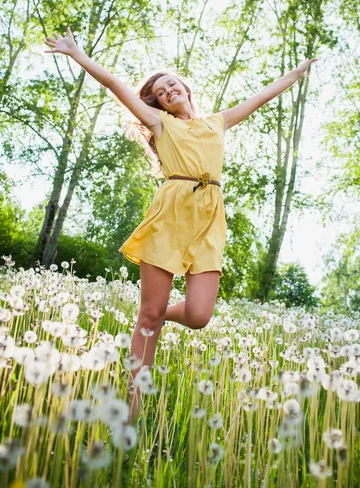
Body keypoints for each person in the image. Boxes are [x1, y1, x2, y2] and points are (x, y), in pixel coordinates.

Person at [45, 27, 316, 419]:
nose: (167, 91)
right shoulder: (160, 124)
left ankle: (159, 314)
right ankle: (133, 404)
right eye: (159, 93)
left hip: (209, 216)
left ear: (185, 88)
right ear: (158, 104)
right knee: (149, 315)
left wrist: (295, 74)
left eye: (171, 85)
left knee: (199, 315)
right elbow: (115, 84)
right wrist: (77, 55)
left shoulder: (217, 122)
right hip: (171, 212)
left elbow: (260, 98)